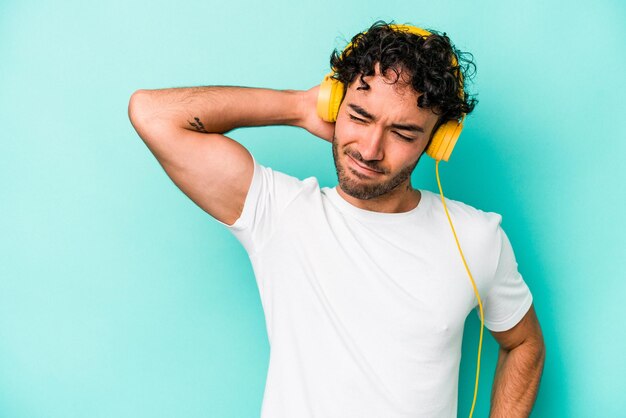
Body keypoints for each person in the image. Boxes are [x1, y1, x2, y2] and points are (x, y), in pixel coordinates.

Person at [128, 20, 545, 418]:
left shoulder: (475, 237)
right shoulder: (279, 213)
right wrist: (298, 106)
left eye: (402, 133)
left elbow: (523, 343)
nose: (369, 148)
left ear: (437, 141)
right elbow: (152, 114)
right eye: (359, 116)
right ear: (335, 104)